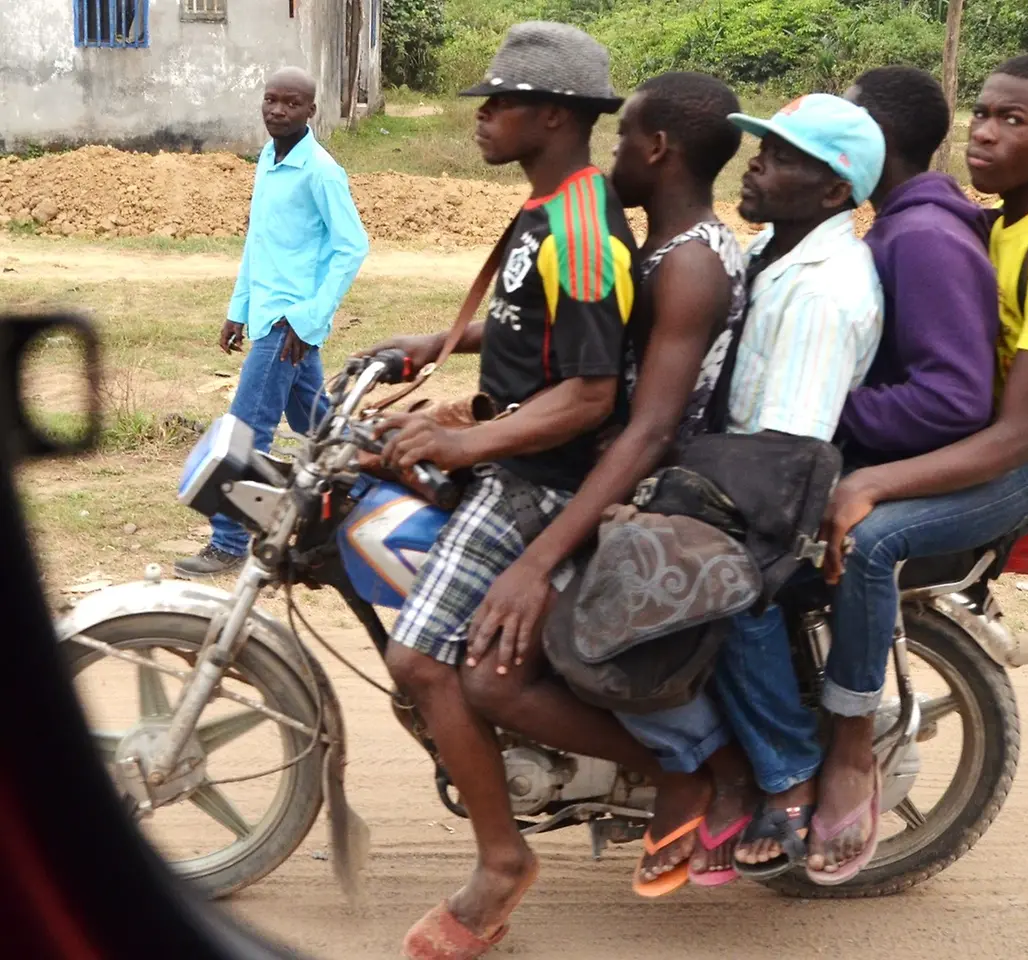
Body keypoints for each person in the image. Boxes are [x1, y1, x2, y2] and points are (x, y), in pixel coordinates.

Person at [804, 51, 1028, 885]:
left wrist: (871, 480)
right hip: (998, 438)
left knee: (871, 539)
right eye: (982, 113)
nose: (985, 132)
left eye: (1013, 121)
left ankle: (848, 745)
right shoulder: (1005, 219)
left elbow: (1013, 433)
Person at [363, 23, 637, 959]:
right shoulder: (546, 210)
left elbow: (592, 392)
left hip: (541, 480)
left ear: (553, 115)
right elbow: (536, 330)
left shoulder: (584, 227)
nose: (482, 115)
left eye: (501, 100)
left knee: (419, 662)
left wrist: (468, 440)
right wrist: (432, 346)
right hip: (511, 452)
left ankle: (501, 861)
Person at [456, 71, 759, 898]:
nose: (612, 151)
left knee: (494, 670)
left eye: (623, 137)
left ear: (657, 148)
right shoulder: (654, 244)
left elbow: (650, 428)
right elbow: (572, 321)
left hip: (652, 487)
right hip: (614, 464)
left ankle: (697, 763)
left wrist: (539, 557)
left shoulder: (691, 262)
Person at [722, 65, 1002, 877]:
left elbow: (954, 401)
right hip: (809, 450)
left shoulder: (917, 239)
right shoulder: (869, 231)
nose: (764, 158)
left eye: (837, 122)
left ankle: (812, 757)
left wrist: (839, 415)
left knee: (732, 584)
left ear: (867, 147)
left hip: (837, 459)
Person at [618, 93, 887, 886]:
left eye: (781, 156)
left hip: (768, 488)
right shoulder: (774, 247)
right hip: (735, 466)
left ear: (835, 192)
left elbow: (783, 450)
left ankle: (784, 766)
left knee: (713, 588)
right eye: (760, 147)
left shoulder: (824, 290)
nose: (757, 163)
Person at [176, 67, 369, 578]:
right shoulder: (268, 158)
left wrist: (309, 320)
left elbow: (352, 246)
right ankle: (366, 497)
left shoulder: (320, 171)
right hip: (265, 316)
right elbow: (257, 244)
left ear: (312, 111)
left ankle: (229, 541)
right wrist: (237, 309)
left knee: (245, 431)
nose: (277, 110)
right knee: (320, 425)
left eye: (291, 103)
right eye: (271, 100)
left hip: (289, 324)